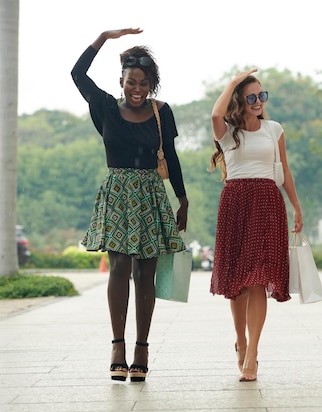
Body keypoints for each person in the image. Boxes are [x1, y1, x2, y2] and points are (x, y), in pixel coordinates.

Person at [71, 28, 189, 382]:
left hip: (151, 194)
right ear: (120, 80)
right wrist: (103, 38)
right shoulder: (105, 107)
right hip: (119, 194)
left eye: (143, 83)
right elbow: (77, 74)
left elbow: (171, 155)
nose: (136, 88)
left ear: (151, 85)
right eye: (130, 82)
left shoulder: (161, 112)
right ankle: (118, 346)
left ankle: (142, 348)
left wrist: (182, 198)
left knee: (145, 273)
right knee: (120, 266)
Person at [209, 69, 303, 382]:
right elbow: (215, 113)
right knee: (236, 282)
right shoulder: (227, 132)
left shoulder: (274, 129)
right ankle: (241, 340)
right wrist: (233, 81)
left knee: (259, 279)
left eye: (262, 96)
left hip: (267, 202)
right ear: (239, 99)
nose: (259, 101)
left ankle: (253, 354)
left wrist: (296, 207)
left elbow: (285, 171)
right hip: (235, 203)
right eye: (251, 97)